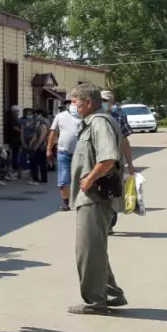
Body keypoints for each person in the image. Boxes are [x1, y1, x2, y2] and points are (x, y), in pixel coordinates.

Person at [67, 83, 127, 315]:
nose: (72, 106)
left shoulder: (99, 123)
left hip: (95, 196)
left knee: (88, 251)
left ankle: (95, 302)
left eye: (75, 102)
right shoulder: (94, 122)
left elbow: (108, 158)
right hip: (93, 195)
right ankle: (111, 294)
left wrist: (89, 179)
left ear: (88, 102)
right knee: (95, 248)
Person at [101, 90, 135, 234]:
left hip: (114, 162)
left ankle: (109, 222)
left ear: (112, 103)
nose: (104, 103)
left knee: (113, 192)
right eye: (102, 100)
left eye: (106, 101)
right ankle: (100, 221)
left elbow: (125, 142)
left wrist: (130, 164)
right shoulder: (93, 117)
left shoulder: (118, 117)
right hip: (96, 162)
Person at [47, 102, 81, 211]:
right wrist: (49, 149)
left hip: (80, 153)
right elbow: (53, 133)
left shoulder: (84, 115)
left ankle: (79, 201)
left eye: (73, 102)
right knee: (63, 179)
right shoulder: (60, 116)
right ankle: (66, 203)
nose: (71, 105)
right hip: (63, 152)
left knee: (80, 177)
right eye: (68, 103)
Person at [26, 110, 50, 185]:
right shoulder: (39, 124)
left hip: (41, 146)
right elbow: (36, 135)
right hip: (39, 145)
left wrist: (35, 147)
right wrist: (32, 141)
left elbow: (41, 138)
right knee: (40, 162)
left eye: (37, 115)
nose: (35, 116)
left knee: (35, 162)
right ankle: (41, 179)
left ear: (41, 115)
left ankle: (37, 179)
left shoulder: (43, 125)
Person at [5, 105, 23, 181]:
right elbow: (15, 128)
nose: (18, 113)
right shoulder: (12, 119)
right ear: (13, 112)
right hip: (14, 139)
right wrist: (23, 130)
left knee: (17, 153)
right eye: (17, 111)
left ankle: (15, 168)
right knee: (15, 154)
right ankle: (14, 168)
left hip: (17, 139)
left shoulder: (16, 119)